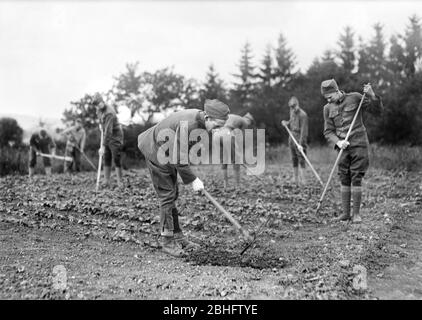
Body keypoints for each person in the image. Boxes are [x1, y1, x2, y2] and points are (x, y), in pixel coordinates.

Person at [138, 99, 229, 257]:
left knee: (173, 194)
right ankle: (167, 241)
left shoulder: (201, 121)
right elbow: (179, 157)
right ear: (208, 118)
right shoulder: (189, 124)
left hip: (167, 149)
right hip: (155, 149)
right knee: (167, 196)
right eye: (217, 126)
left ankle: (178, 236)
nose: (217, 130)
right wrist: (193, 179)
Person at [321, 79, 383, 223]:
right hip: (343, 147)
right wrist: (338, 141)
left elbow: (377, 111)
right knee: (344, 177)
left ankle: (356, 214)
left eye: (330, 96)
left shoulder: (355, 97)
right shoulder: (327, 108)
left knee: (356, 177)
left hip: (359, 143)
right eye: (326, 98)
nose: (329, 100)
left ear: (337, 91)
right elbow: (328, 131)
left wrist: (372, 95)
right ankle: (345, 213)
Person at [214, 112, 255, 189]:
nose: (248, 125)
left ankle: (225, 185)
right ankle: (237, 186)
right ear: (249, 120)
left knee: (224, 161)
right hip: (227, 133)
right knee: (236, 162)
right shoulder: (244, 121)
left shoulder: (233, 116)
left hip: (216, 134)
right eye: (250, 124)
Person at [92, 93, 124, 187]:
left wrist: (102, 146)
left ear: (102, 101)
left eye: (99, 104)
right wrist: (100, 124)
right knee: (106, 156)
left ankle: (120, 182)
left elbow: (109, 131)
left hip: (115, 135)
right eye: (96, 105)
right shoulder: (98, 109)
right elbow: (100, 119)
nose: (98, 106)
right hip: (106, 133)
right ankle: (106, 180)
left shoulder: (109, 112)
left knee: (116, 157)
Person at [281, 96, 308, 186]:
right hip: (291, 136)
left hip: (299, 137)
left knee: (301, 158)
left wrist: (301, 144)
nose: (292, 108)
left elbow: (304, 131)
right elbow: (291, 121)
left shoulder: (303, 115)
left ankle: (303, 180)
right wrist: (286, 123)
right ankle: (295, 179)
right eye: (291, 107)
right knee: (294, 158)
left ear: (297, 104)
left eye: (294, 106)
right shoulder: (292, 112)